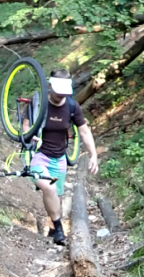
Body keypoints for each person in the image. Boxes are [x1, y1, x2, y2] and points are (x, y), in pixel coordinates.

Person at [25, 68, 98, 245]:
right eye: (58, 92)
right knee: (49, 188)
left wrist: (93, 155)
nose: (61, 96)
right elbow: (25, 126)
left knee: (57, 196)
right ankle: (59, 230)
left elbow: (84, 132)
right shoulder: (38, 103)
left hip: (59, 159)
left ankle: (52, 228)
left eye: (64, 93)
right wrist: (30, 135)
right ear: (50, 87)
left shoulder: (72, 106)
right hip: (38, 156)